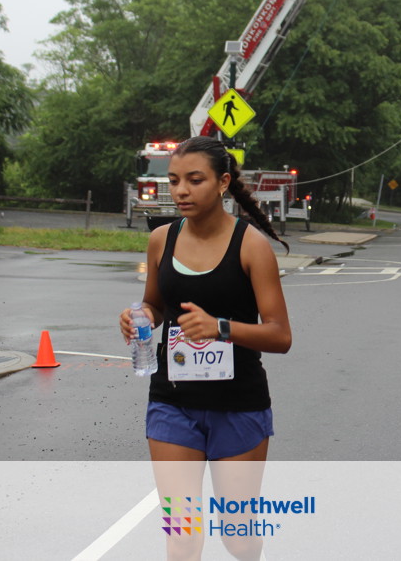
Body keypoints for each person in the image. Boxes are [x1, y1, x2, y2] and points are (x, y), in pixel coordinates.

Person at [118, 136, 291, 561]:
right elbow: (156, 305)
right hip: (172, 403)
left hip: (238, 406)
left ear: (222, 183)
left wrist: (221, 328)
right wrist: (139, 316)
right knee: (182, 533)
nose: (181, 190)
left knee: (237, 536)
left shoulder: (251, 245)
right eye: (174, 180)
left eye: (195, 180)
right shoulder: (161, 239)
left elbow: (280, 335)